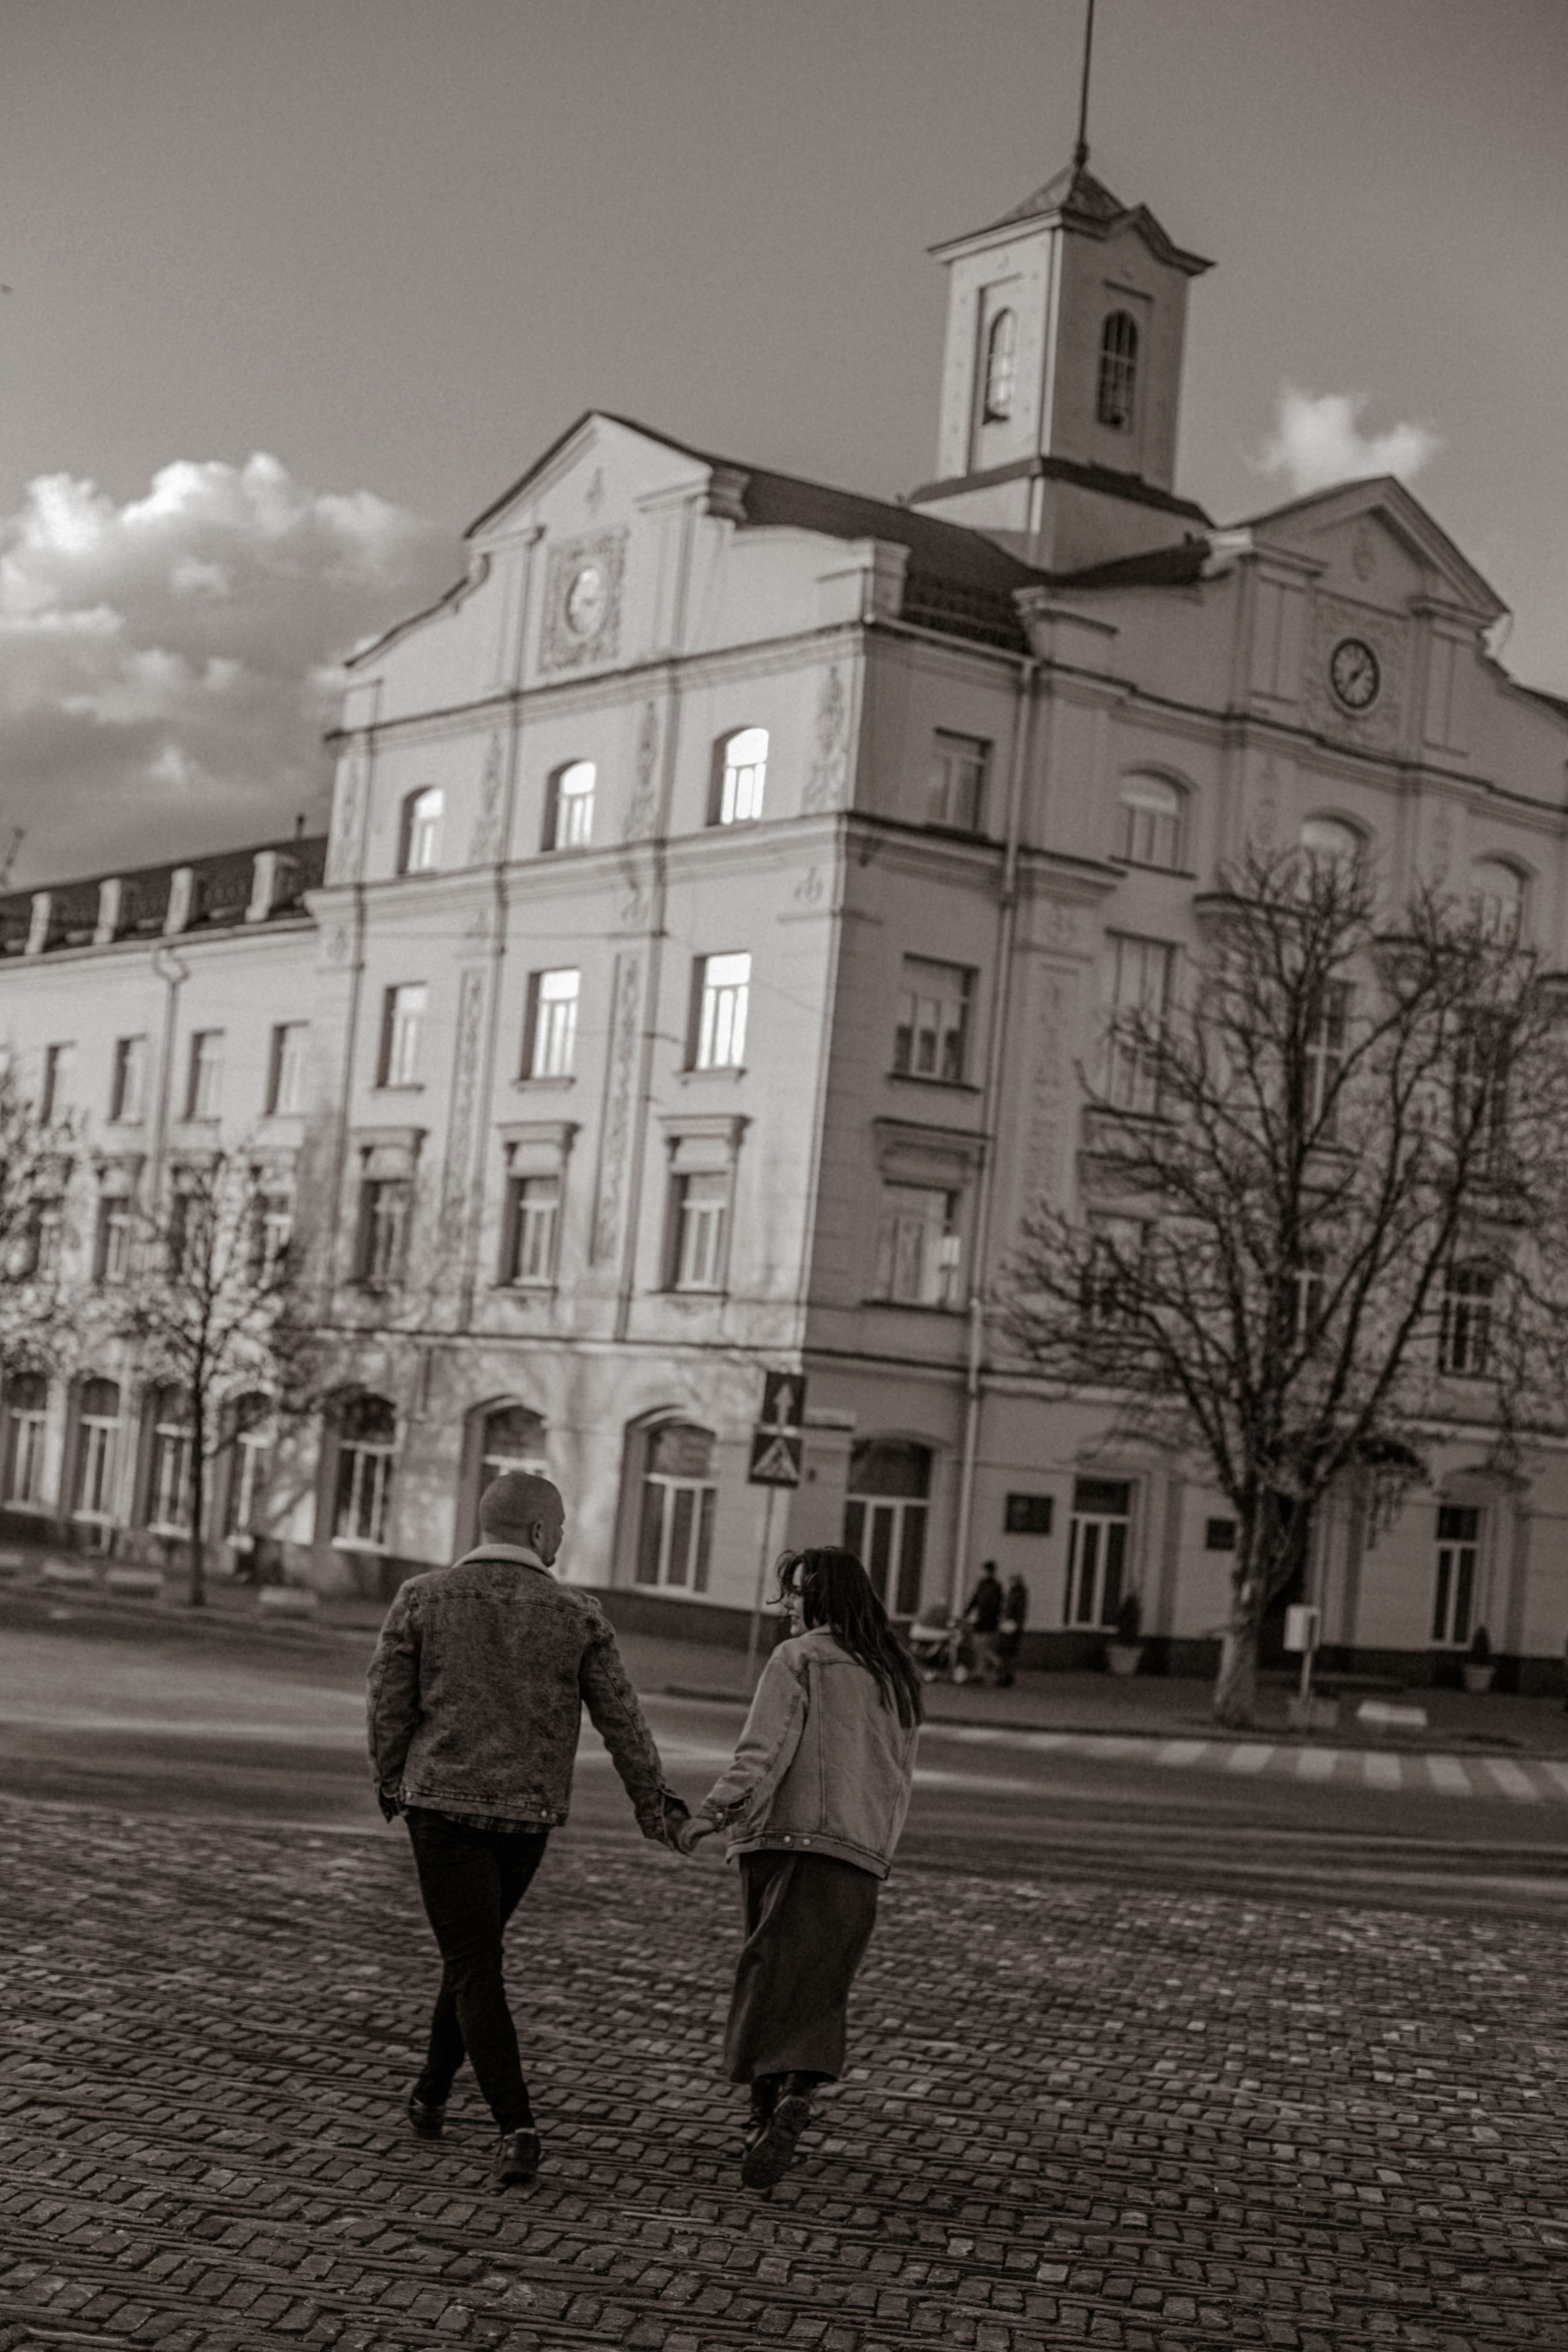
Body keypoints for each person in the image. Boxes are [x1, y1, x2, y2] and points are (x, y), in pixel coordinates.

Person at [366, 1470, 688, 2192]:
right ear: (540, 1534)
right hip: (526, 1818)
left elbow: (388, 1702)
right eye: (562, 1528)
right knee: (472, 1957)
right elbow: (622, 1721)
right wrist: (655, 1807)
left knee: (474, 1963)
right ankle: (431, 2092)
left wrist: (392, 1781)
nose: (563, 1539)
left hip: (442, 1811)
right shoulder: (577, 1615)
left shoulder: (422, 1598)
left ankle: (517, 2126)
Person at [678, 1545, 922, 2190]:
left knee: (768, 1972)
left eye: (792, 1593)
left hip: (789, 1844)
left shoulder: (800, 1659)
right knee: (820, 1986)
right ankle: (797, 2093)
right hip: (860, 1854)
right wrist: (879, 1851)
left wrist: (716, 1811)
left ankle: (761, 2116)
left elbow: (766, 1748)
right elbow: (900, 1779)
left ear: (817, 1598)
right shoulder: (894, 1671)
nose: (785, 1605)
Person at [962, 1559, 1005, 1686]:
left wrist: (975, 1614)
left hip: (988, 1622)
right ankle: (980, 1672)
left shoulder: (995, 1586)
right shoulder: (984, 1584)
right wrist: (967, 1612)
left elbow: (994, 1605)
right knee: (979, 1647)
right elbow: (975, 1599)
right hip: (984, 1621)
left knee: (983, 1647)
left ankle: (995, 1664)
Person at [995, 1574, 1029, 1689]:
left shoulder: (1018, 1594)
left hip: (1011, 1626)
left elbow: (1015, 1611)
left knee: (1007, 1653)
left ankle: (1006, 1676)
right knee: (1007, 1653)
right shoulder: (1016, 1593)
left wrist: (1014, 1624)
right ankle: (1006, 1676)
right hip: (1011, 1625)